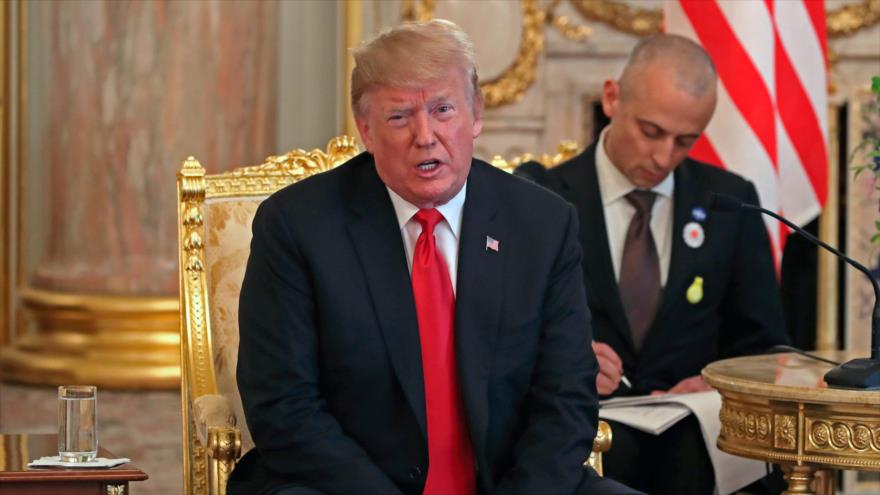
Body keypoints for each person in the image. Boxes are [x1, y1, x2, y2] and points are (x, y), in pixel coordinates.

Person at [229, 20, 639, 495]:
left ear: (476, 113)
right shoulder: (297, 225)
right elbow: (283, 405)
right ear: (365, 129)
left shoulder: (543, 224)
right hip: (346, 484)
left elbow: (566, 397)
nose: (425, 135)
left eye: (443, 109)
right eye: (399, 117)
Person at [515, 34, 788, 494]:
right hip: (585, 432)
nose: (663, 158)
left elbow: (766, 346)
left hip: (696, 443)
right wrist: (567, 360)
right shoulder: (540, 197)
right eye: (651, 132)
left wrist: (715, 381)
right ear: (611, 98)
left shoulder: (730, 203)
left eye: (685, 141)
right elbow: (500, 333)